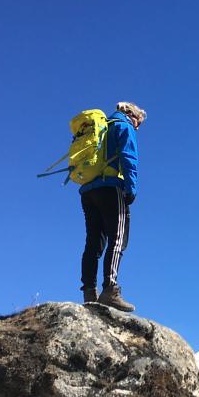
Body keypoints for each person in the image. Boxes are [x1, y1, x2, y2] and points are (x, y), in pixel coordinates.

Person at [79, 101, 146, 311]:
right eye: (138, 123)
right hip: (111, 188)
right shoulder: (122, 125)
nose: (137, 127)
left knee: (93, 242)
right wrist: (131, 189)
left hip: (88, 189)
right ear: (131, 115)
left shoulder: (100, 128)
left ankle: (89, 292)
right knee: (118, 239)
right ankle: (110, 289)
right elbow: (128, 157)